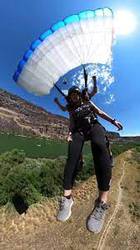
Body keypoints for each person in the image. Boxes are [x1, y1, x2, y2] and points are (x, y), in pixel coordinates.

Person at [56, 86, 123, 233]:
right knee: (72, 155)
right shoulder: (71, 110)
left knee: (99, 146)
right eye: (71, 95)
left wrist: (113, 121)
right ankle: (67, 198)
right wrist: (69, 134)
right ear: (70, 97)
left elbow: (99, 113)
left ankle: (101, 202)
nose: (74, 97)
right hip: (79, 131)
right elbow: (72, 124)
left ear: (79, 95)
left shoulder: (87, 102)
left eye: (76, 94)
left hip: (93, 126)